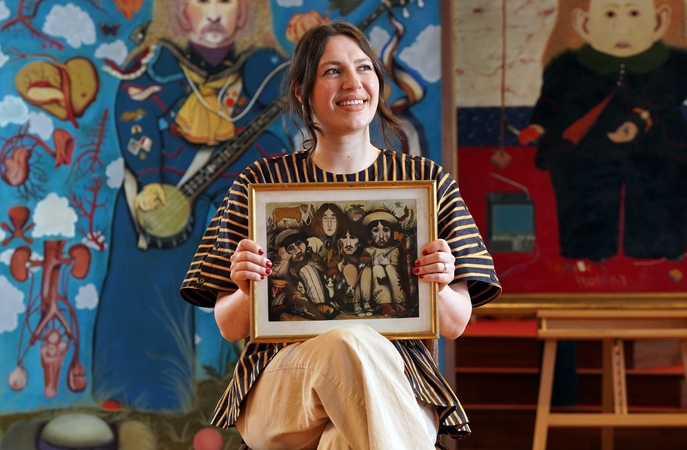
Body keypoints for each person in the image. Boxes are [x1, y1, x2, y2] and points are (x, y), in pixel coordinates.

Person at [180, 21, 501, 449]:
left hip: (399, 382)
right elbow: (230, 325)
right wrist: (245, 287)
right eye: (332, 71)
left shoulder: (426, 183)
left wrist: (439, 284)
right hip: (282, 384)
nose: (353, 82)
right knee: (349, 341)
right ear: (301, 90)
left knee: (343, 440)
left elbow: (454, 323)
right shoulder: (261, 185)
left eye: (364, 67)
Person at [93, 0, 288, 412]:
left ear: (247, 12)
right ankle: (143, 393)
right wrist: (147, 181)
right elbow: (136, 117)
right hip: (168, 170)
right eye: (201, 1)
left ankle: (281, 387)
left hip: (242, 162)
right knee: (144, 239)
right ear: (178, 11)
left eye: (227, 2)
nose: (214, 14)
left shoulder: (267, 64)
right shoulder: (156, 60)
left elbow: (292, 99)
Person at [518, 0, 687, 262]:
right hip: (588, 144)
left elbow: (669, 91)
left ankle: (656, 247)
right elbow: (552, 97)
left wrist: (640, 118)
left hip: (657, 139)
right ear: (584, 23)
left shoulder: (676, 61)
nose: (622, 27)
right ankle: (587, 248)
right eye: (610, 13)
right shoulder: (568, 64)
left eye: (635, 13)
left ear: (659, 21)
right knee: (582, 181)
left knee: (666, 175)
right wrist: (538, 124)